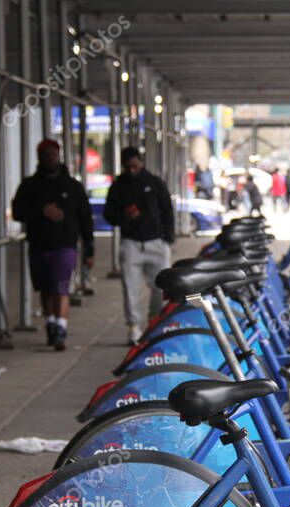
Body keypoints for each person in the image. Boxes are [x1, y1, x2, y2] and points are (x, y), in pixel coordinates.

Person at [11, 139, 94, 351]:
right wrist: (41, 212)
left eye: (54, 155)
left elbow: (85, 218)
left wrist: (89, 247)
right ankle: (50, 322)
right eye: (46, 155)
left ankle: (61, 327)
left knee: (61, 287)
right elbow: (18, 212)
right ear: (40, 158)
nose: (51, 158)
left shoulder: (73, 187)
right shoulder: (29, 186)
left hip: (64, 245)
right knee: (46, 290)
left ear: (59, 156)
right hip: (39, 246)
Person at [103, 146, 175, 345]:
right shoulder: (118, 186)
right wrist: (124, 216)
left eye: (134, 166)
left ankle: (155, 321)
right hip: (131, 243)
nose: (132, 170)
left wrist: (168, 238)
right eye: (128, 167)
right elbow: (108, 214)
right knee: (130, 288)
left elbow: (167, 210)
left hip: (156, 242)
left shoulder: (154, 183)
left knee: (161, 286)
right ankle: (134, 327)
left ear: (140, 162)